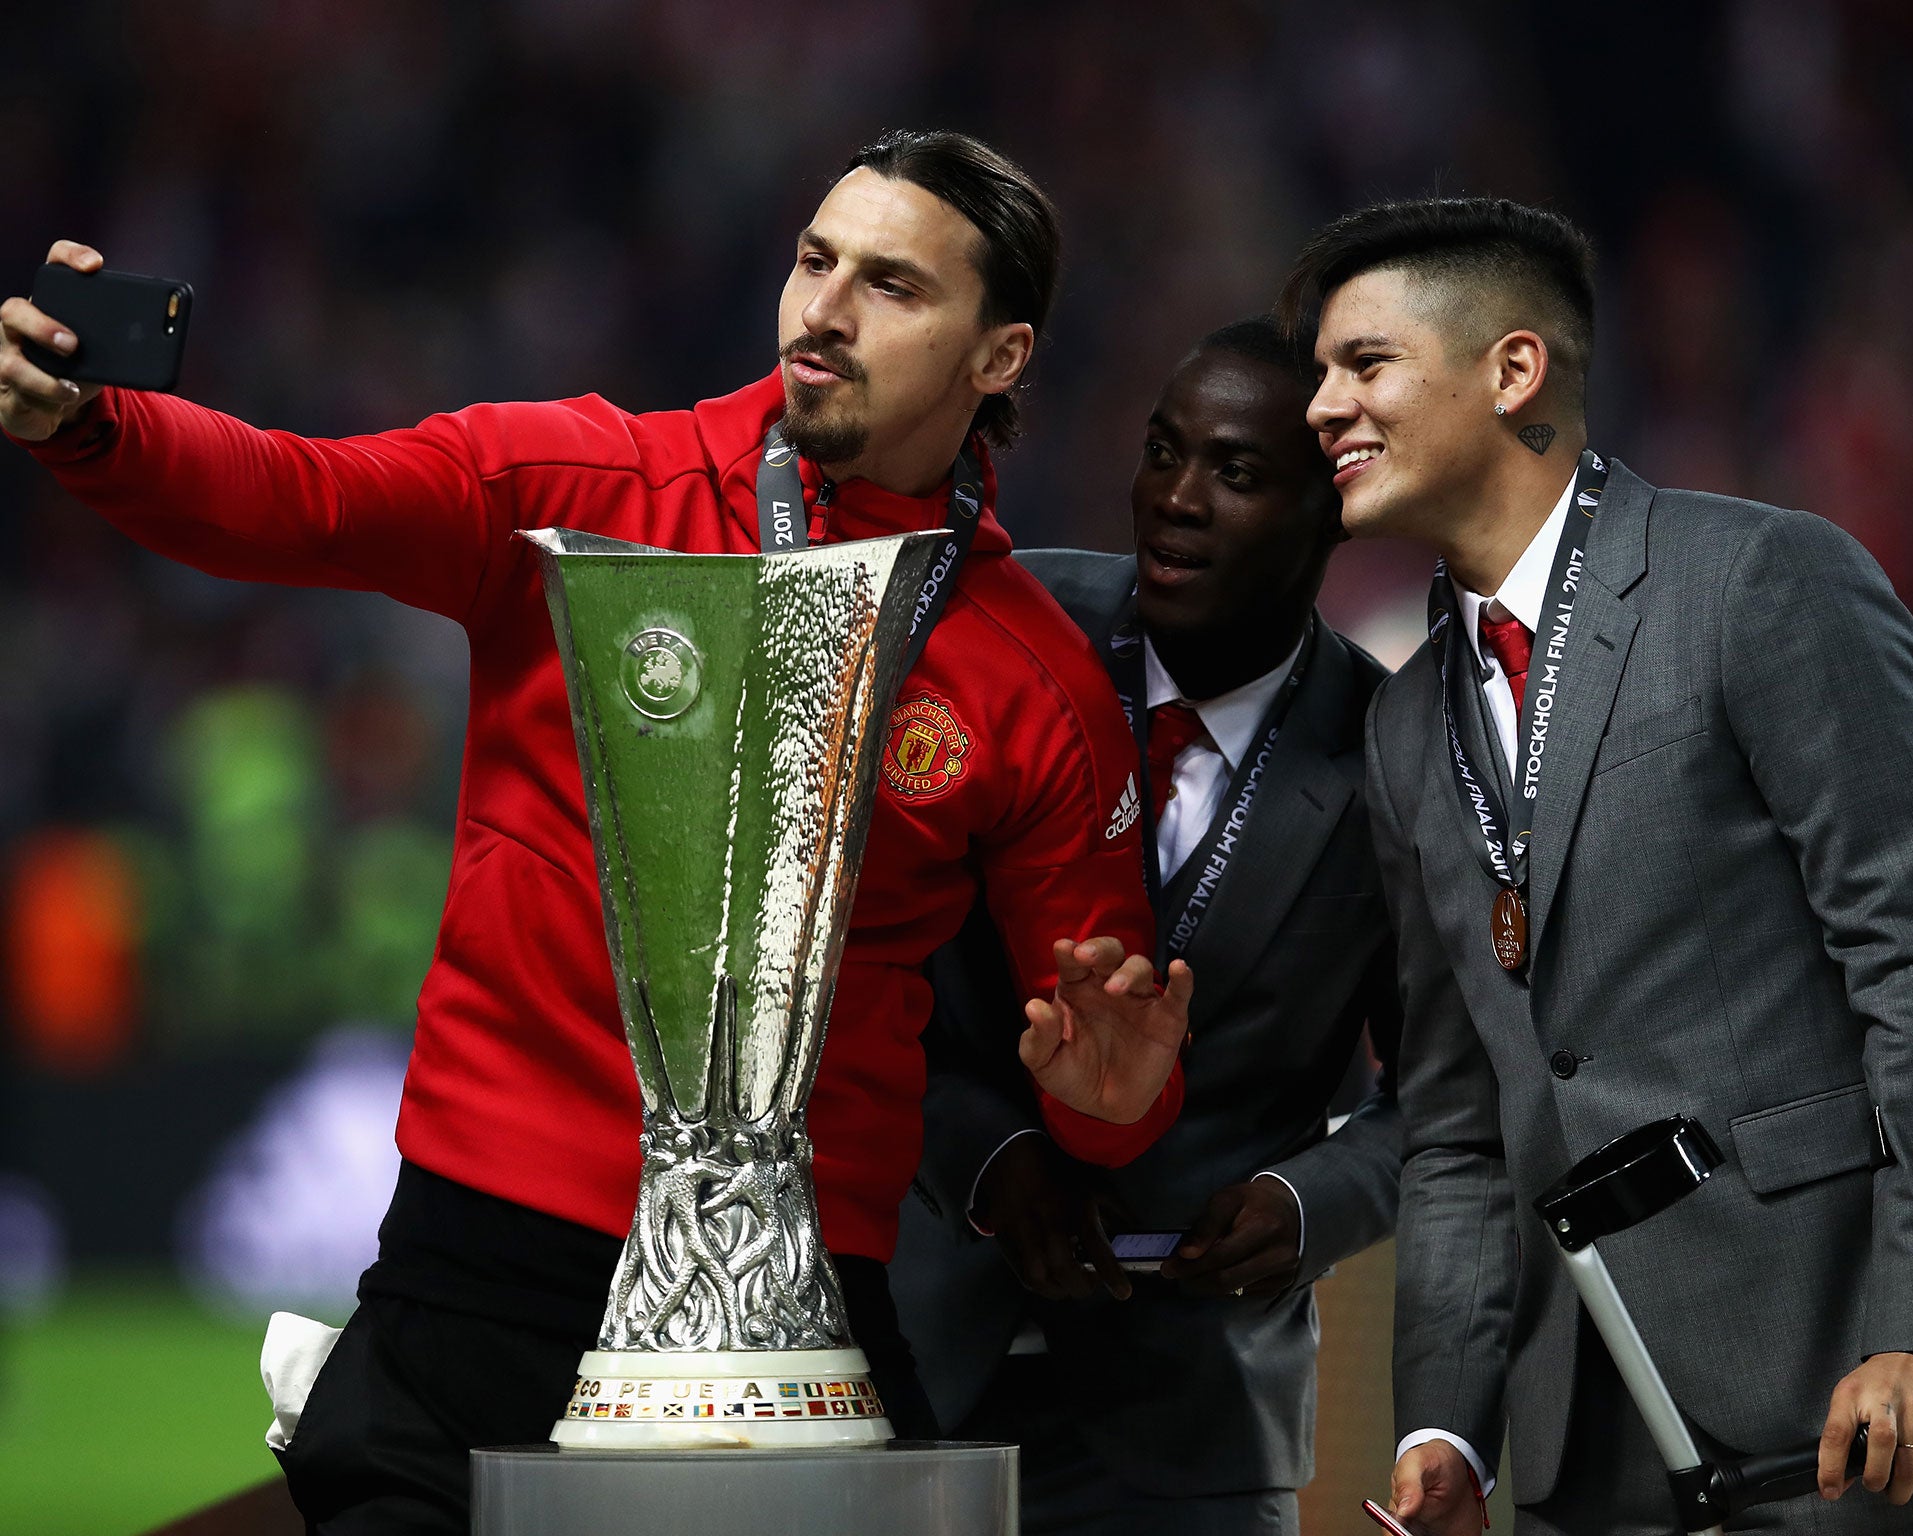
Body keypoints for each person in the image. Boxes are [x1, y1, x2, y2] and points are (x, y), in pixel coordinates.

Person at [0, 129, 1194, 1534]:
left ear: (1001, 356)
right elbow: (297, 497)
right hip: (479, 1275)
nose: (822, 307)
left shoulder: (1033, 678)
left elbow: (1102, 1075)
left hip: (797, 1313)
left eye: (891, 285)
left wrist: (1113, 1103)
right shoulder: (579, 482)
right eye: (815, 261)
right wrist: (90, 427)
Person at [1279, 196, 1913, 1535]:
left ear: (1514, 372)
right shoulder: (1406, 723)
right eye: (1321, 375)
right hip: (1586, 1440)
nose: (1322, 409)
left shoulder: (1762, 580)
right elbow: (1457, 1123)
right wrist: (1448, 1420)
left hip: (1843, 1388)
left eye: (1364, 364)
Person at [890, 317, 1403, 1536]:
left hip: (1194, 1422)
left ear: (1330, 510)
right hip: (916, 1376)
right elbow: (863, 968)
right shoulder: (1004, 631)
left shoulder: (1395, 756)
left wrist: (1304, 1198)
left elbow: (1450, 1093)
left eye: (1232, 473)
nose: (1174, 500)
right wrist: (985, 1159)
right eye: (1161, 453)